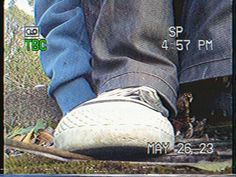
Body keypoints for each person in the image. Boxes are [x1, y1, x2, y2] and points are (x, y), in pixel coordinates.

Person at [34, 0, 232, 155]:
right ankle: (133, 77)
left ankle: (220, 81)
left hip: (207, 66)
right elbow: (55, 12)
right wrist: (74, 89)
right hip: (116, 70)